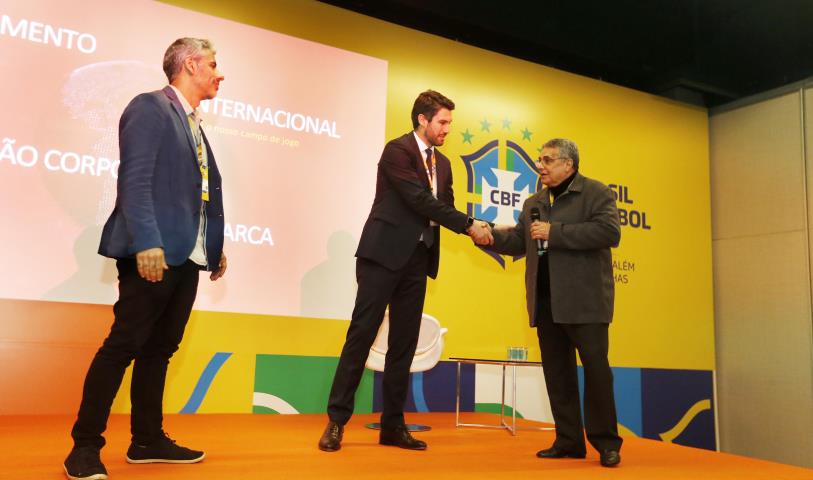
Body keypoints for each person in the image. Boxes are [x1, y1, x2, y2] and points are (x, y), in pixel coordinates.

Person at [63, 38, 227, 480]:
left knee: (160, 349)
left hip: (186, 256)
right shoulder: (151, 107)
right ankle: (84, 447)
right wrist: (147, 242)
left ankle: (147, 440)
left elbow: (191, 194)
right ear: (190, 65)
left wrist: (212, 245)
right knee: (124, 345)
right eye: (213, 64)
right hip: (153, 252)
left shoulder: (194, 124)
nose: (220, 74)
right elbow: (134, 181)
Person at [318, 90, 492, 452]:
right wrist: (469, 224)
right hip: (382, 255)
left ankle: (393, 426)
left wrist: (476, 228)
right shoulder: (397, 150)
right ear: (422, 120)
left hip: (418, 258)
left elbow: (444, 207)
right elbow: (418, 199)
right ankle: (336, 422)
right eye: (442, 122)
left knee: (404, 344)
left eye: (450, 123)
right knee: (362, 335)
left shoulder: (445, 164)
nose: (447, 129)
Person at [483, 138, 623, 467]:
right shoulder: (534, 201)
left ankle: (606, 444)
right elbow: (520, 241)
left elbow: (608, 232)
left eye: (547, 160)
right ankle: (569, 440)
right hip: (546, 301)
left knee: (597, 373)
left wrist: (554, 232)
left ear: (568, 164)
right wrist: (488, 237)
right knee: (558, 376)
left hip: (586, 301)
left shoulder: (596, 192)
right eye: (539, 159)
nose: (540, 166)